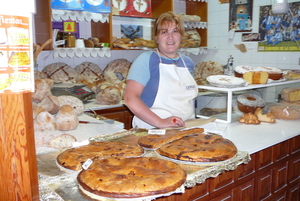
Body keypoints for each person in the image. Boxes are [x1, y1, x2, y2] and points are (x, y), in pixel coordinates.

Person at [124, 11, 198, 129]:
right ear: (156, 38)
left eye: (175, 31)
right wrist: (160, 122)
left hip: (186, 127)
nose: (170, 37)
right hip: (153, 128)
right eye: (164, 32)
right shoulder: (146, 60)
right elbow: (130, 99)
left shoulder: (188, 62)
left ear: (181, 36)